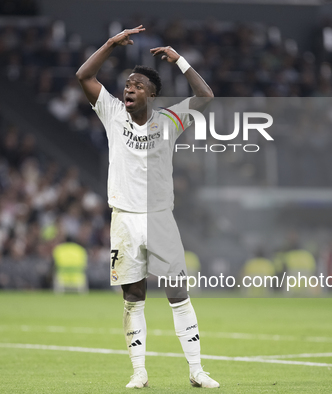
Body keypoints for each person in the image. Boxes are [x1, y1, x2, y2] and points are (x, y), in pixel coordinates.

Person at [76, 25, 218, 388]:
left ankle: (196, 370)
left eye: (138, 86)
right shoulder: (111, 113)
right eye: (127, 85)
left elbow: (205, 95)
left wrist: (180, 61)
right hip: (123, 218)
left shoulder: (170, 120)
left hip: (159, 218)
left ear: (152, 95)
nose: (129, 89)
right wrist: (110, 42)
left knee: (177, 293)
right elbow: (84, 75)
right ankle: (139, 372)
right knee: (133, 296)